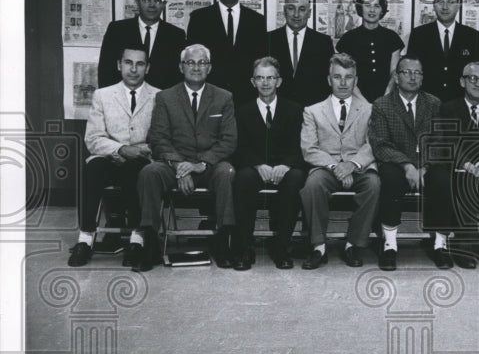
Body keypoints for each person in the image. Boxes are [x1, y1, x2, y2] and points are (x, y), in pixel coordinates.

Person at [137, 44, 238, 270]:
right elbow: (158, 138)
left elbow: (229, 140)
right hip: (175, 164)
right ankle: (150, 242)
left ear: (209, 68)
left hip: (209, 166)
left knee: (227, 173)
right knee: (149, 172)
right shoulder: (165, 97)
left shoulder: (224, 97)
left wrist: (202, 164)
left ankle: (224, 241)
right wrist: (180, 165)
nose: (196, 67)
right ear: (181, 67)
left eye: (202, 63)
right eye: (190, 62)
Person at [68, 47, 160, 268]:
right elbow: (93, 138)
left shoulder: (159, 96)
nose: (133, 69)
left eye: (140, 64)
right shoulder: (103, 95)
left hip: (141, 158)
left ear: (147, 68)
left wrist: (136, 151)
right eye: (128, 63)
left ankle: (136, 240)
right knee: (91, 170)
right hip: (109, 157)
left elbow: (161, 139)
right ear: (119, 65)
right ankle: (86, 238)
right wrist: (119, 149)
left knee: (136, 171)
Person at [298, 54, 380, 270]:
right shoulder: (313, 111)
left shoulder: (370, 109)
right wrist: (336, 167)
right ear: (329, 80)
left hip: (359, 167)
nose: (343, 83)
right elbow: (309, 148)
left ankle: (353, 244)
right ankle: (318, 246)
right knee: (312, 186)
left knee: (374, 185)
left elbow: (374, 144)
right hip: (327, 167)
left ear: (356, 80)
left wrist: (352, 165)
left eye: (348, 77)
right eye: (337, 77)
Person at [424, 62, 479, 269]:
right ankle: (462, 246)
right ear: (462, 81)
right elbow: (445, 141)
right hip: (458, 165)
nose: (478, 83)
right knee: (459, 182)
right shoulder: (448, 107)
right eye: (473, 78)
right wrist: (466, 163)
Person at [231, 56, 306, 271]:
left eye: (270, 78)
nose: (265, 83)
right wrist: (257, 165)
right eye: (260, 78)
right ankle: (244, 247)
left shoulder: (295, 110)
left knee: (296, 178)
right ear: (252, 82)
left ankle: (282, 247)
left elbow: (300, 146)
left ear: (279, 81)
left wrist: (286, 165)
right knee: (243, 178)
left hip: (285, 166)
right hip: (255, 167)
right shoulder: (241, 111)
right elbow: (238, 147)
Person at [368, 57, 443, 271]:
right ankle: (390, 244)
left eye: (417, 73)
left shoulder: (434, 103)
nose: (412, 77)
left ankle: (439, 244)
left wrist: (425, 167)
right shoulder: (381, 105)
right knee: (390, 179)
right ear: (396, 76)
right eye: (407, 72)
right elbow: (380, 144)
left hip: (426, 164)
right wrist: (408, 166)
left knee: (444, 178)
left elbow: (440, 142)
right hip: (397, 163)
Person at [186, 0, 267, 105]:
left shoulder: (257, 21)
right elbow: (192, 62)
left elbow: (259, 63)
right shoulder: (199, 18)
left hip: (246, 99)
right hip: (209, 97)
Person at [403, 0, 479, 102]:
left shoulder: (472, 36)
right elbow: (411, 73)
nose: (445, 7)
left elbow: (478, 75)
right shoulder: (418, 35)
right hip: (425, 104)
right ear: (434, 5)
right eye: (440, 2)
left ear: (458, 5)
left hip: (460, 105)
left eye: (450, 2)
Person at [97, 0, 185, 90]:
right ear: (137, 1)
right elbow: (105, 71)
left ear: (164, 4)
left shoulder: (176, 36)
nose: (152, 5)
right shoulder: (117, 30)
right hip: (122, 102)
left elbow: (178, 79)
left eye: (158, 0)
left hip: (162, 103)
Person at [335, 0, 405, 103]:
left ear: (382, 10)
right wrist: (363, 102)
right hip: (355, 99)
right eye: (367, 6)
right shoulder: (348, 38)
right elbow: (347, 74)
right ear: (360, 8)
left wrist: (385, 97)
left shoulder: (392, 38)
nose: (372, 10)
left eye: (377, 6)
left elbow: (394, 72)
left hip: (387, 98)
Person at [267, 0, 334, 107]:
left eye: (302, 9)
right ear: (284, 10)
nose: (296, 14)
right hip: (277, 112)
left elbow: (329, 83)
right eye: (291, 8)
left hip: (313, 114)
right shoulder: (269, 40)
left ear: (309, 13)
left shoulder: (323, 42)